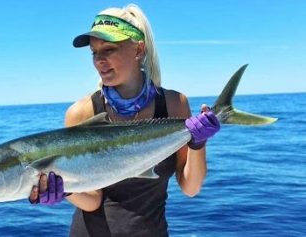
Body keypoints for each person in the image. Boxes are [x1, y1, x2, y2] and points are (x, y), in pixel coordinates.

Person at [29, 4, 220, 237]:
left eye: (108, 49)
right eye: (94, 52)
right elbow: (92, 201)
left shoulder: (173, 104)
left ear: (138, 50)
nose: (99, 60)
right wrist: (66, 190)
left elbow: (190, 187)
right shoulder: (82, 112)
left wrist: (198, 144)